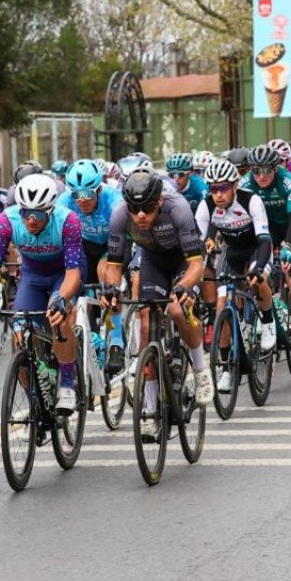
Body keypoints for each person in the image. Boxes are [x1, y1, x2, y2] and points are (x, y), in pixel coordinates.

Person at [102, 169, 214, 441]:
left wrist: (184, 286)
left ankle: (200, 370)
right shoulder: (119, 215)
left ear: (159, 202)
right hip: (153, 259)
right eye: (135, 208)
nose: (140, 215)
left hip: (184, 260)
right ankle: (150, 411)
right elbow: (114, 265)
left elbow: (197, 264)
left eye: (148, 208)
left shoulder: (178, 209)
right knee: (146, 319)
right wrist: (112, 289)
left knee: (176, 309)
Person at [0, 175, 84, 412]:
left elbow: (74, 272)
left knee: (60, 321)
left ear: (51, 211)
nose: (32, 221)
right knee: (20, 336)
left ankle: (67, 382)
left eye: (39, 214)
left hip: (62, 275)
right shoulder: (7, 220)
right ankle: (35, 400)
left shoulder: (68, 221)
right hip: (32, 276)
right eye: (26, 213)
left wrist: (62, 300)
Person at [198, 159, 274, 393]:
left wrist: (259, 269)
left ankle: (268, 321)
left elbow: (264, 239)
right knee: (222, 306)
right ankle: (226, 369)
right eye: (213, 189)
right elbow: (198, 246)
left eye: (223, 188)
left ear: (234, 186)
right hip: (232, 253)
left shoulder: (251, 200)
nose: (218, 194)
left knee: (258, 281)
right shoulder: (206, 206)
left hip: (256, 249)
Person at [241, 144, 291, 361]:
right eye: (256, 171)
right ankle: (265, 317)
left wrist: (288, 246)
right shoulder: (246, 184)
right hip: (267, 229)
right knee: (253, 272)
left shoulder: (288, 180)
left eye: (266, 170)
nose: (261, 176)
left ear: (276, 168)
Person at [55, 160, 126, 370]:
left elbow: (121, 237)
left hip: (111, 244)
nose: (82, 199)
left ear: (99, 188)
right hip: (86, 246)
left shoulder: (113, 200)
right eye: (76, 194)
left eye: (88, 193)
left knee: (105, 274)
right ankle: (86, 332)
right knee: (74, 283)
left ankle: (116, 343)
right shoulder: (64, 202)